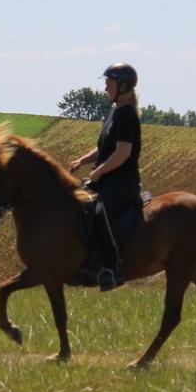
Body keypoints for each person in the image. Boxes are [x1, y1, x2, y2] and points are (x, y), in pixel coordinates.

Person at [68, 62, 143, 291]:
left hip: (123, 183)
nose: (105, 89)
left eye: (109, 84)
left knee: (99, 211)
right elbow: (104, 148)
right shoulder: (114, 112)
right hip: (109, 180)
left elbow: (122, 153)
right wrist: (82, 160)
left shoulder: (127, 114)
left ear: (123, 86)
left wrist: (99, 172)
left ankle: (111, 268)